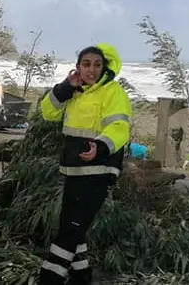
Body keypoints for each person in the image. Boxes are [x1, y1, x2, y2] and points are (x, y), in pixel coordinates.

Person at [36, 43, 131, 285]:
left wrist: (99, 147)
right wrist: (66, 87)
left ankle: (49, 279)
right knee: (73, 228)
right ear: (78, 68)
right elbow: (47, 112)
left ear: (104, 68)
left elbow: (119, 127)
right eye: (86, 64)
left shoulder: (113, 92)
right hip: (74, 170)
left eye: (97, 65)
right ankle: (81, 277)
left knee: (69, 231)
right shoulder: (75, 92)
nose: (92, 70)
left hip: (100, 170)